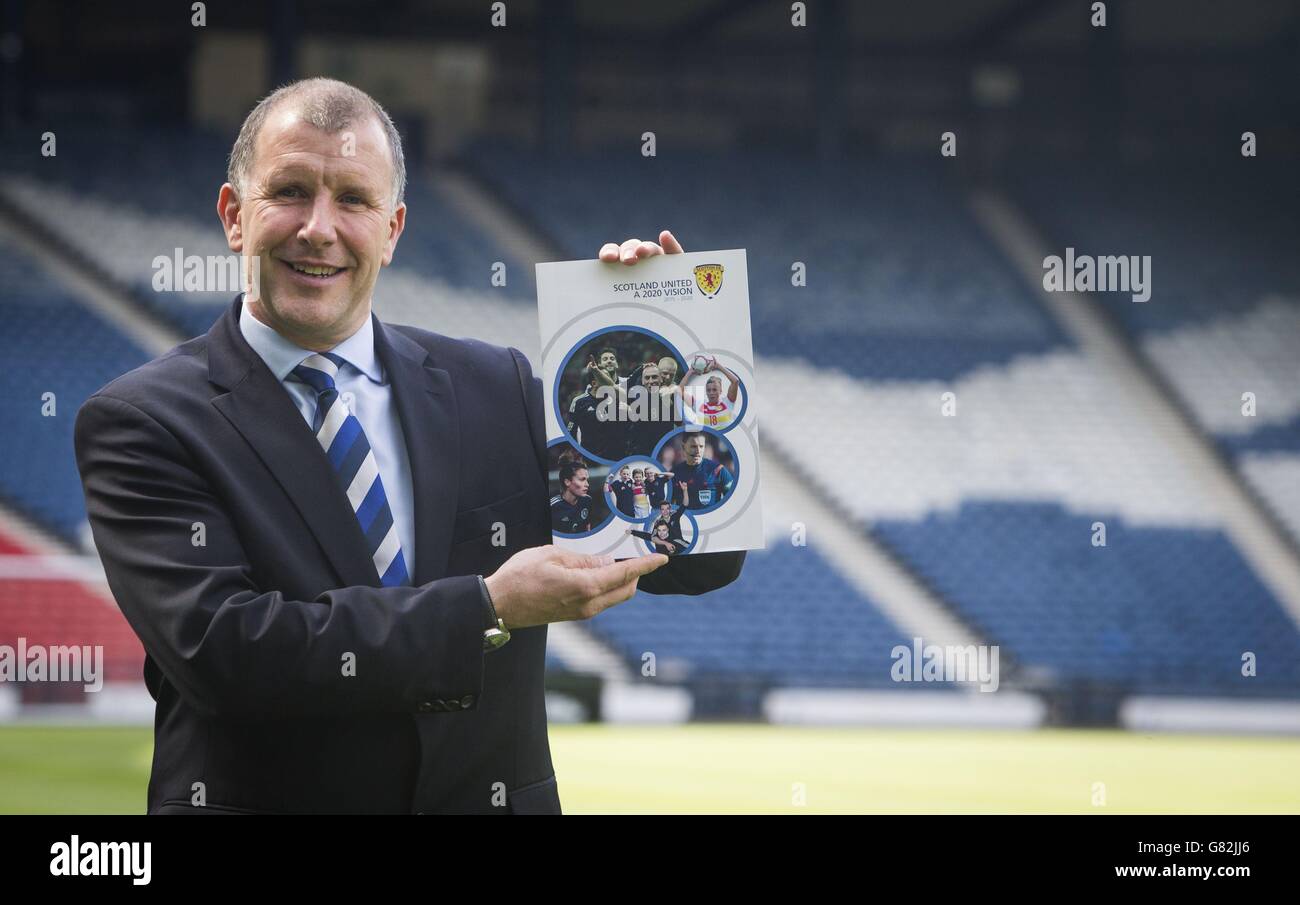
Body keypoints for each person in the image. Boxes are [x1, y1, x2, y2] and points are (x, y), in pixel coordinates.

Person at [73, 77, 744, 815]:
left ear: (392, 230)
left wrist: (661, 367)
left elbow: (693, 558)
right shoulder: (142, 421)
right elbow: (230, 654)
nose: (319, 228)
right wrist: (486, 607)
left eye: (353, 200)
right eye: (291, 191)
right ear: (235, 216)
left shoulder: (500, 385)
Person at [671, 432, 735, 510]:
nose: (698, 451)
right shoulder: (674, 474)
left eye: (701, 446)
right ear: (684, 447)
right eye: (693, 446)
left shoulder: (718, 470)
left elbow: (734, 500)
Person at [550, 462, 593, 534]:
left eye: (587, 480)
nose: (587, 484)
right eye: (582, 479)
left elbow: (587, 527)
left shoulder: (587, 500)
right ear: (567, 482)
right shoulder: (553, 506)